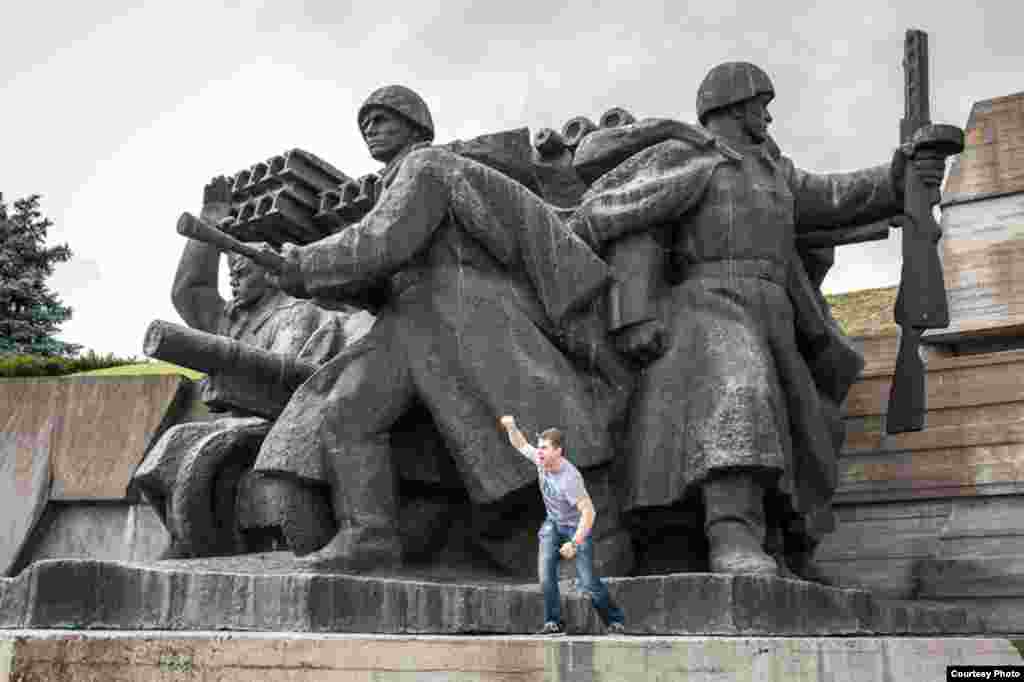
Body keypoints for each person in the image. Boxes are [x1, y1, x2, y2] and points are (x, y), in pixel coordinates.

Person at [563, 62, 947, 577]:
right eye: (760, 103)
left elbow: (833, 197)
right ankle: (731, 534)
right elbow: (633, 222)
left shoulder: (773, 171)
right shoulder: (686, 158)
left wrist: (900, 175)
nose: (767, 114)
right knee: (738, 391)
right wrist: (633, 314)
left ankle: (786, 543)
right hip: (706, 304)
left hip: (775, 311)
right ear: (734, 105)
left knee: (808, 426)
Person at [254, 85, 632, 571]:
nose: (371, 126)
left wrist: (304, 262)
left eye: (384, 117)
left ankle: (602, 537)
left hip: (462, 309)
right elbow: (379, 269)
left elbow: (384, 241)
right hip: (407, 319)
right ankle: (370, 535)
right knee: (348, 411)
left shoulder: (426, 166)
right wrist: (305, 276)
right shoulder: (392, 183)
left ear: (416, 126)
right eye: (365, 120)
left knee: (534, 424)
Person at [132, 176, 367, 558]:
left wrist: (229, 367)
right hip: (238, 421)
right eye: (232, 273)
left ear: (269, 271)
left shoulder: (296, 311)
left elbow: (286, 379)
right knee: (163, 456)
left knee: (199, 446)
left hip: (273, 423)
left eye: (243, 272)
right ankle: (185, 539)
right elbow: (189, 292)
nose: (234, 278)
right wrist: (210, 221)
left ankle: (201, 542)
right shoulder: (236, 319)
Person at [499, 415, 625, 635]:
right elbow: (520, 444)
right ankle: (553, 622)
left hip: (576, 528)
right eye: (539, 447)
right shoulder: (541, 461)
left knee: (588, 581)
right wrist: (511, 427)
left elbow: (589, 512)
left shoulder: (570, 479)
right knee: (546, 575)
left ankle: (615, 620)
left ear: (558, 451)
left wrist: (575, 543)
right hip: (553, 523)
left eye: (545, 448)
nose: (539, 451)